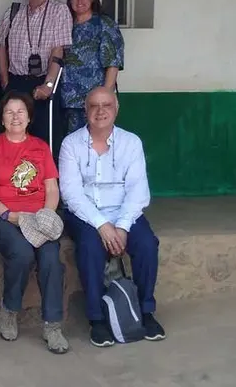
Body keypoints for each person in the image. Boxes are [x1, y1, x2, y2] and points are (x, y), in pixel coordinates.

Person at [59, 87, 165, 347]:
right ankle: (96, 319)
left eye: (106, 105)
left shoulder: (131, 142)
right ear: (85, 110)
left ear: (116, 109)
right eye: (94, 106)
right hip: (85, 214)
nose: (100, 111)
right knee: (89, 247)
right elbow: (71, 194)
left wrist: (123, 226)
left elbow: (138, 190)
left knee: (147, 244)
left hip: (122, 211)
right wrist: (102, 225)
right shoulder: (71, 144)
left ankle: (146, 312)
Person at [0, 91, 68, 354]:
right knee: (21, 252)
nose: (15, 117)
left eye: (21, 112)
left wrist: (46, 216)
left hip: (38, 216)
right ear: (2, 118)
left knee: (51, 257)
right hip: (1, 216)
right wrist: (10, 215)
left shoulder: (40, 147)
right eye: (9, 112)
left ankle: (52, 326)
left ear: (29, 117)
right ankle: (9, 311)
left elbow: (51, 188)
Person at [0, 0, 73, 144]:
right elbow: (2, 46)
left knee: (45, 137)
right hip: (16, 82)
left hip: (44, 81)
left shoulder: (59, 11)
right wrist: (5, 82)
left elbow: (58, 51)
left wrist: (48, 85)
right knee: (13, 136)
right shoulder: (14, 11)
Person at [59, 0, 124, 135]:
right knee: (72, 142)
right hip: (67, 100)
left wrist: (105, 99)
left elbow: (113, 63)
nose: (80, 0)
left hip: (95, 101)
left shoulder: (104, 24)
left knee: (96, 139)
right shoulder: (65, 24)